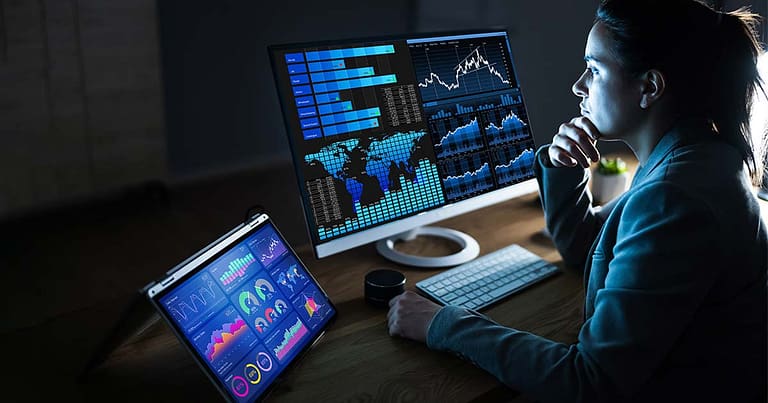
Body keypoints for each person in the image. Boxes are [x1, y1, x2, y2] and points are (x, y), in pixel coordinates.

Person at [386, 0, 768, 402]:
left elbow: (589, 381)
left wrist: (444, 325)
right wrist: (562, 166)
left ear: (650, 88)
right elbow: (588, 249)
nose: (579, 85)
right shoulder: (702, 157)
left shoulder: (675, 197)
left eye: (595, 69)